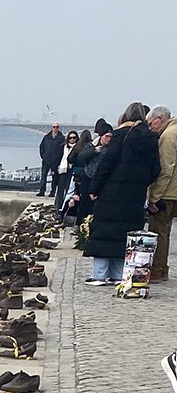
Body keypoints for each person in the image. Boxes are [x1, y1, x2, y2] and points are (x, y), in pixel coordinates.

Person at [85, 102, 161, 285]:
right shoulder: (150, 139)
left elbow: (107, 164)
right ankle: (120, 275)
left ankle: (100, 274)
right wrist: (140, 183)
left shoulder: (120, 136)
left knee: (105, 231)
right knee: (126, 235)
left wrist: (94, 188)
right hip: (135, 195)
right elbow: (156, 169)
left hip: (112, 192)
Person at [145, 106, 177, 281]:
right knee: (166, 230)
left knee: (158, 231)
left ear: (159, 119)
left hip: (167, 192)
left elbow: (166, 169)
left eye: (151, 123)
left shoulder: (168, 136)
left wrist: (154, 197)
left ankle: (158, 269)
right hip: (174, 192)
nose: (150, 127)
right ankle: (162, 268)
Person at [53, 130, 80, 213]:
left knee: (69, 189)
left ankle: (65, 205)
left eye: (74, 138)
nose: (72, 139)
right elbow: (58, 158)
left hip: (71, 170)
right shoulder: (63, 147)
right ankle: (58, 206)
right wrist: (54, 168)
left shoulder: (78, 148)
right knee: (60, 188)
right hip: (63, 170)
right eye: (70, 138)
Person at [38, 122, 65, 196]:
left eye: (57, 127)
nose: (55, 128)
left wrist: (59, 160)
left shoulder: (61, 138)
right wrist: (43, 156)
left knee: (55, 178)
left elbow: (63, 150)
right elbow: (41, 147)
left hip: (56, 162)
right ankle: (42, 191)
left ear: (58, 128)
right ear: (52, 127)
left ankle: (52, 192)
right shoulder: (46, 137)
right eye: (54, 127)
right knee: (43, 177)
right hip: (46, 161)